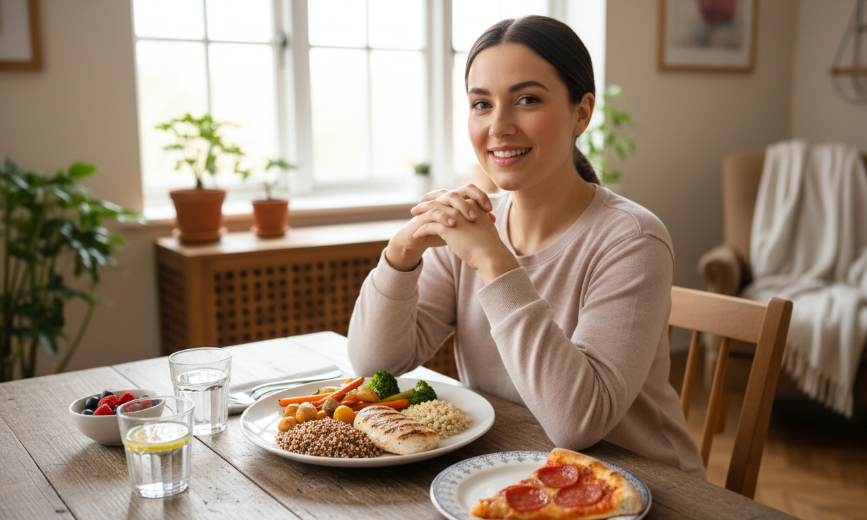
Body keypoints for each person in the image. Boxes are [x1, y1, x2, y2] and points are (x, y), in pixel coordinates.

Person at [347, 15, 705, 479]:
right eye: (481, 104)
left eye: (527, 100)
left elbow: (577, 422)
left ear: (582, 112)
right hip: (503, 472)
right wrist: (402, 253)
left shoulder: (632, 240)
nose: (498, 126)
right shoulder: (470, 224)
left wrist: (494, 261)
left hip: (639, 486)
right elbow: (378, 365)